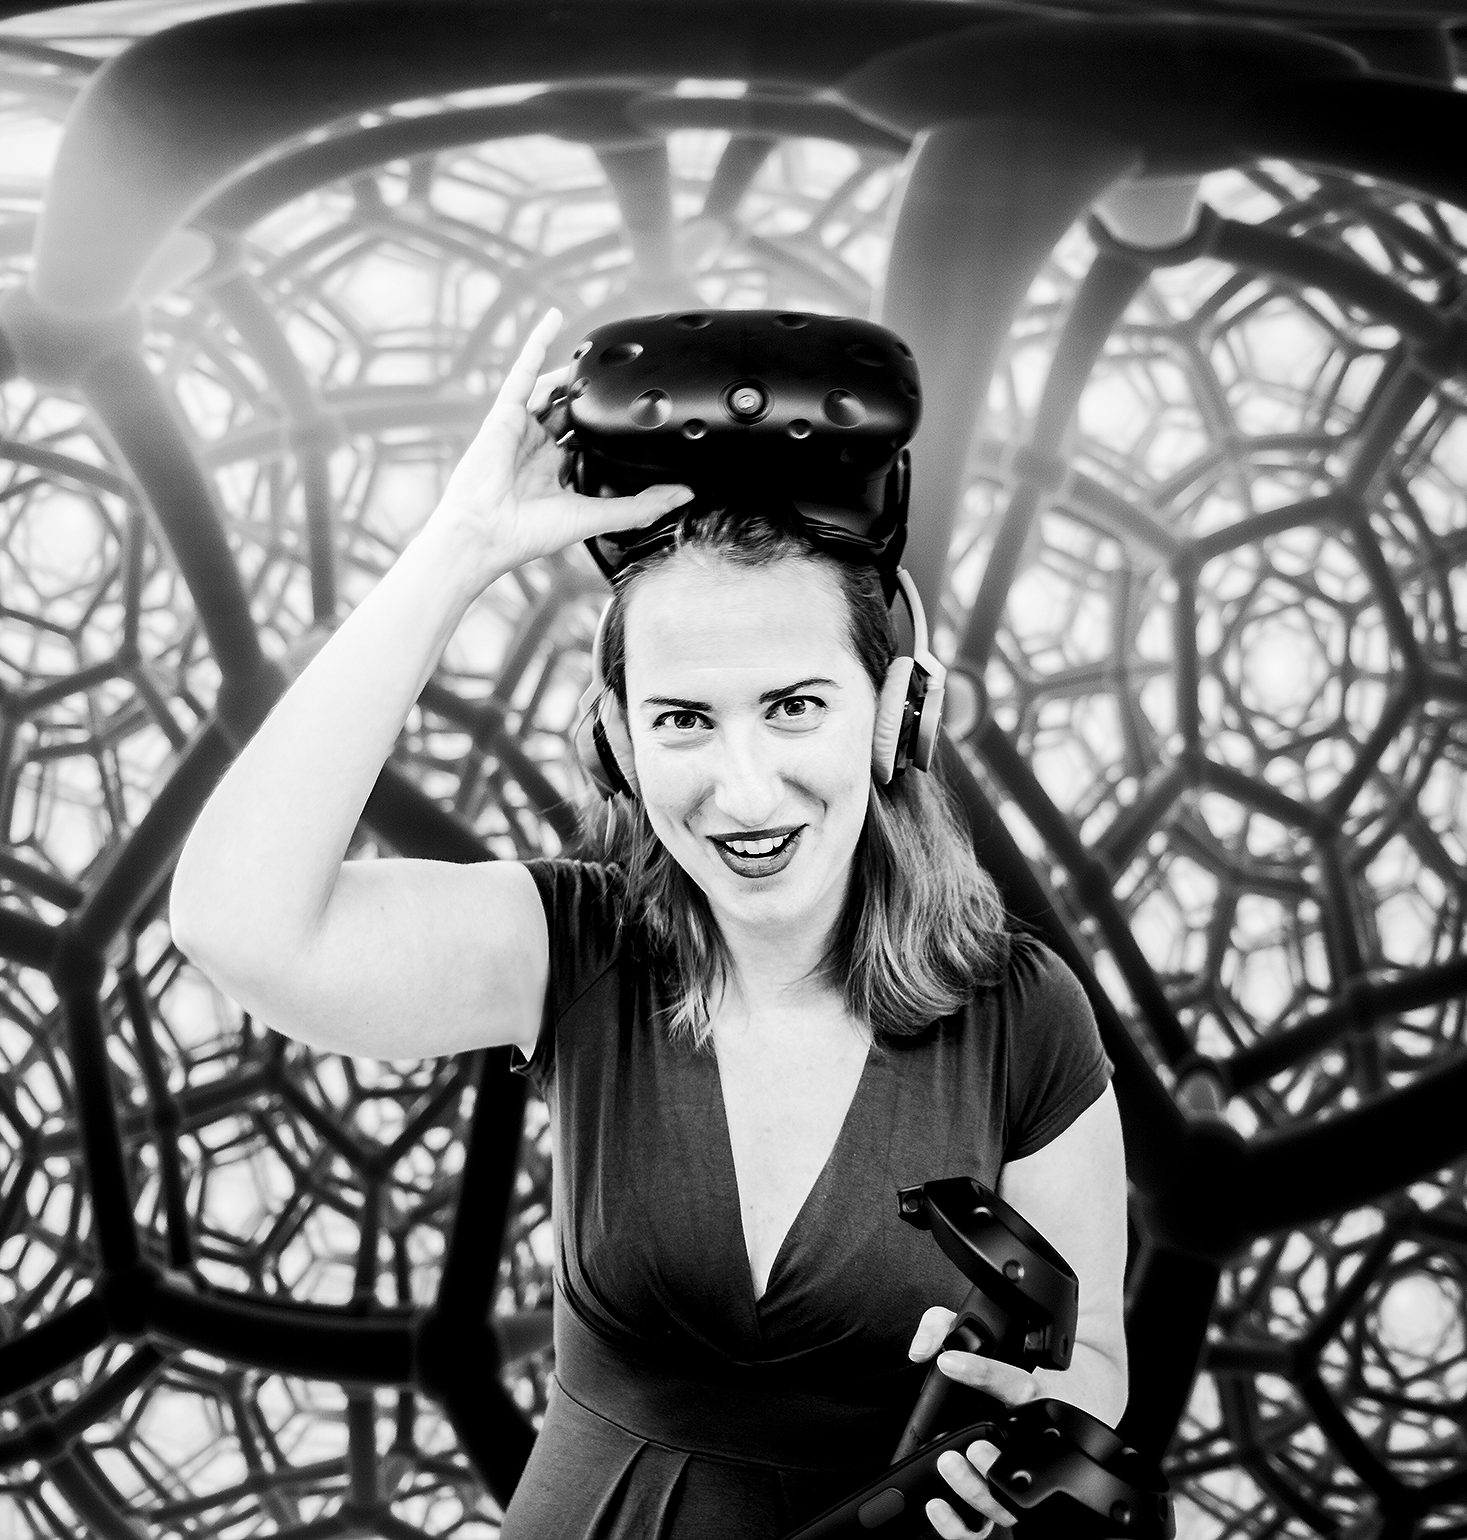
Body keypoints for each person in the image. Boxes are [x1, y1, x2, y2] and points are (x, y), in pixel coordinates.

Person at [169, 309, 1129, 1540]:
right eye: (684, 719)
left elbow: (1094, 1354)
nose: (745, 791)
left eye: (795, 705)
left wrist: (1030, 1429)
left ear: (897, 713)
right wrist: (461, 545)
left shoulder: (1023, 1014)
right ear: (619, 741)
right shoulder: (575, 946)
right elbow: (238, 920)